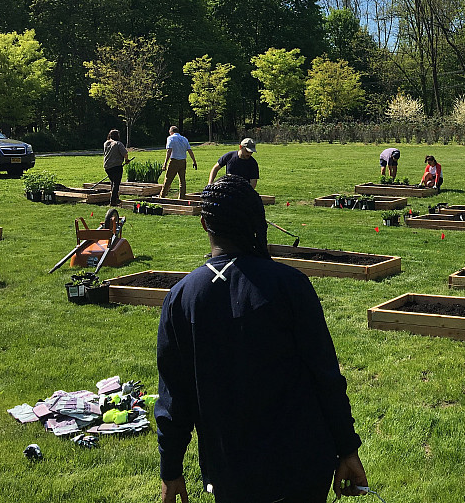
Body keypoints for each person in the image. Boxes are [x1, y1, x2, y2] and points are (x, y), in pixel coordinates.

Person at [155, 175, 369, 503]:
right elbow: (326, 377)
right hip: (302, 468)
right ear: (257, 222)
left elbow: (173, 400)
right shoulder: (290, 285)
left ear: (204, 224)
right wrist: (347, 449)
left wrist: (171, 471)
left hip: (232, 473)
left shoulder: (181, 299)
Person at [161, 126, 198, 199]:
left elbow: (169, 151)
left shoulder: (170, 138)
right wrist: (194, 161)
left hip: (174, 161)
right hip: (183, 161)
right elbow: (190, 151)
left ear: (171, 132)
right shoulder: (184, 139)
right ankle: (182, 197)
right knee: (182, 181)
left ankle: (162, 196)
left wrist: (165, 164)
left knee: (168, 179)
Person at [103, 129, 130, 207]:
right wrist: (126, 160)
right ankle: (113, 201)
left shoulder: (106, 143)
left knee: (113, 182)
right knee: (116, 184)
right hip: (116, 166)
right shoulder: (118, 144)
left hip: (107, 166)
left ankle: (116, 198)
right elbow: (125, 153)